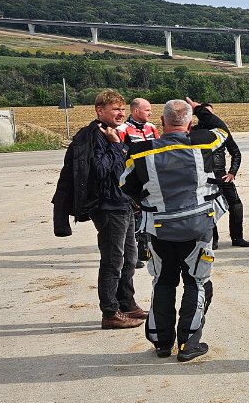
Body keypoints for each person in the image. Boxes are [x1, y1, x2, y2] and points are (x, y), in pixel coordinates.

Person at [120, 98, 230, 362]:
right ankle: (188, 344)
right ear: (190, 123)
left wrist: (148, 201)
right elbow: (222, 130)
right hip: (198, 225)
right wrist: (201, 109)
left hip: (159, 228)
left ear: (161, 122)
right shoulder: (203, 141)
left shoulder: (140, 151)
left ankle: (161, 342)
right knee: (196, 282)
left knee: (163, 281)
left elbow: (125, 184)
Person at [51, 89, 146, 330]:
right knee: (113, 261)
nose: (121, 113)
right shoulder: (93, 136)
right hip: (108, 207)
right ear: (99, 110)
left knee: (130, 259)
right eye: (115, 109)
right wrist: (115, 146)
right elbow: (100, 171)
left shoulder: (112, 133)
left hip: (123, 204)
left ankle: (126, 304)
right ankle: (110, 313)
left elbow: (121, 171)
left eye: (122, 109)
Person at [194, 103, 249, 249]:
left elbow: (236, 152)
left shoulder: (222, 132)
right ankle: (214, 239)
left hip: (222, 176)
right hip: (205, 178)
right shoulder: (195, 132)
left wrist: (232, 172)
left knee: (236, 206)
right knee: (209, 209)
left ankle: (237, 237)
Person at [117, 98, 160, 270]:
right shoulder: (123, 129)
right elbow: (118, 157)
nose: (151, 113)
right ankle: (131, 255)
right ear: (136, 111)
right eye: (147, 110)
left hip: (150, 180)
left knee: (149, 215)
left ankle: (145, 250)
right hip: (132, 180)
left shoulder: (152, 127)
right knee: (133, 219)